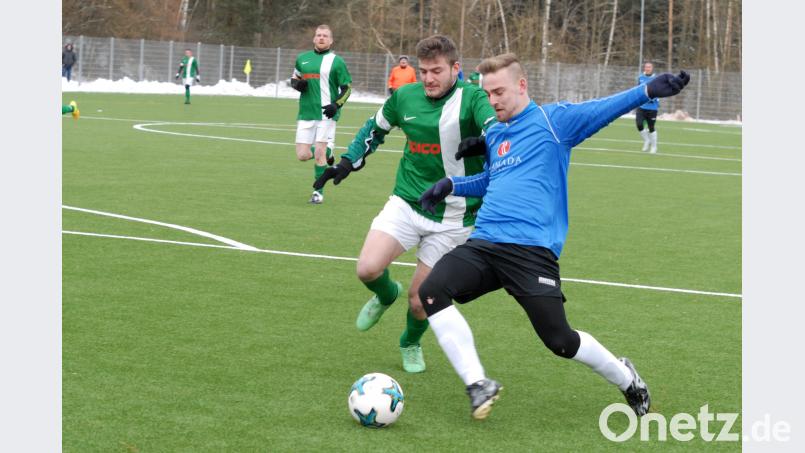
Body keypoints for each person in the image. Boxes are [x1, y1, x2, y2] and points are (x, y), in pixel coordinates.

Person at [417, 53, 690, 420]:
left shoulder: (554, 121)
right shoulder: (495, 132)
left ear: (522, 85)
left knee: (561, 342)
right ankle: (478, 384)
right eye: (488, 93)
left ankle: (627, 378)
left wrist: (645, 91)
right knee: (431, 290)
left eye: (499, 92)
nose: (493, 100)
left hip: (531, 252)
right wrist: (451, 184)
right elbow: (493, 180)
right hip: (484, 243)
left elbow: (602, 109)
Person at [313, 35, 496, 373]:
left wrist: (486, 142)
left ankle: (409, 342)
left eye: (437, 71)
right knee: (367, 269)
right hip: (407, 204)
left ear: (456, 68)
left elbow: (498, 128)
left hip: (455, 217)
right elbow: (374, 128)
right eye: (423, 70)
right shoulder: (405, 96)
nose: (428, 78)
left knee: (420, 301)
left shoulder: (473, 98)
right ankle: (385, 295)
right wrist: (348, 162)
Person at [290, 24, 352, 204]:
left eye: (325, 35)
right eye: (318, 35)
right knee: (302, 155)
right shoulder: (302, 59)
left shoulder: (337, 61)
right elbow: (295, 78)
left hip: (327, 114)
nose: (321, 38)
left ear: (331, 40)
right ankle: (330, 150)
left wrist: (336, 104)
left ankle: (318, 192)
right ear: (314, 39)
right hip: (306, 113)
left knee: (319, 152)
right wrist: (296, 85)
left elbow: (347, 88)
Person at [636, 61, 659, 153]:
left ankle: (654, 146)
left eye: (649, 67)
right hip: (642, 106)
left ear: (652, 68)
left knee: (651, 127)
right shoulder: (641, 77)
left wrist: (653, 98)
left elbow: (659, 91)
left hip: (652, 107)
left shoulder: (656, 78)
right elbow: (638, 90)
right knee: (639, 124)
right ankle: (647, 140)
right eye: (646, 67)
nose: (647, 68)